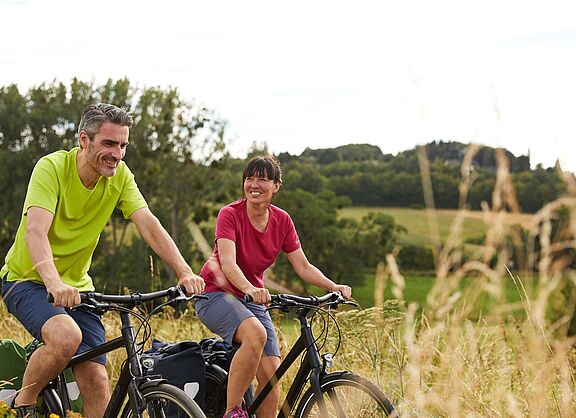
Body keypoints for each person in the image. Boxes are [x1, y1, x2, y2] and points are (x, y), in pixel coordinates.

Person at [0, 103, 205, 418]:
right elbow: (36, 232)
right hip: (27, 280)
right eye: (109, 143)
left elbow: (148, 223)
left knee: (97, 378)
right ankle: (21, 404)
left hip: (79, 288)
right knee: (67, 336)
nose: (118, 153)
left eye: (123, 145)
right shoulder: (51, 168)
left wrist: (184, 271)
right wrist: (54, 282)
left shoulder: (119, 176)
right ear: (84, 140)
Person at [195, 155, 352, 418]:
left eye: (263, 179)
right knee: (256, 334)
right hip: (216, 293)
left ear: (276, 186)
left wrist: (332, 286)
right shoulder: (230, 214)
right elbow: (229, 265)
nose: (254, 184)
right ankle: (232, 412)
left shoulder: (282, 220)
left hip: (252, 300)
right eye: (249, 178)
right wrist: (249, 288)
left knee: (271, 378)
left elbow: (303, 266)